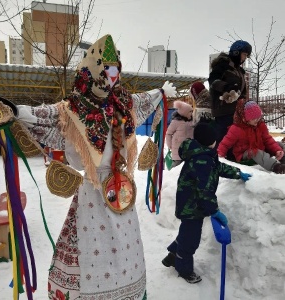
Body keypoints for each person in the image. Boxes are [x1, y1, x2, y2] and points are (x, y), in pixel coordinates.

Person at [17, 34, 176, 300]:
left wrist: (160, 93)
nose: (111, 77)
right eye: (105, 70)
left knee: (125, 248)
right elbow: (41, 115)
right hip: (92, 195)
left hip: (122, 192)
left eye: (115, 70)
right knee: (91, 247)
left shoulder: (124, 103)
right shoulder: (72, 109)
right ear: (90, 73)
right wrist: (15, 111)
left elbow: (146, 100)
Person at [162, 122, 251, 283]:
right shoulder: (202, 160)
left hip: (190, 204)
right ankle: (183, 268)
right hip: (192, 207)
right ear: (211, 141)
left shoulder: (203, 155)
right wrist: (214, 211)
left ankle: (173, 254)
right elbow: (205, 191)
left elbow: (218, 168)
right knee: (191, 240)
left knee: (186, 234)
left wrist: (238, 173)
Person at [218, 99, 285, 174]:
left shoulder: (260, 125)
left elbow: (267, 139)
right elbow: (225, 143)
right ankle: (276, 167)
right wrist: (220, 155)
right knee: (254, 152)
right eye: (253, 118)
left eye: (258, 117)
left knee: (279, 144)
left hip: (260, 149)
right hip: (245, 154)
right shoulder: (236, 129)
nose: (257, 120)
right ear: (244, 118)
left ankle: (283, 158)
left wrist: (277, 150)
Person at [208, 40, 252, 145]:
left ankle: (231, 159)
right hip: (223, 110)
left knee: (234, 140)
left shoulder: (240, 71)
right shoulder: (222, 65)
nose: (245, 58)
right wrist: (226, 87)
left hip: (236, 111)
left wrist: (245, 103)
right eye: (244, 54)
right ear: (236, 52)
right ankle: (218, 159)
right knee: (223, 140)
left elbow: (242, 91)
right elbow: (213, 81)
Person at [165, 100, 194, 168]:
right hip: (177, 148)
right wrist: (170, 145)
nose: (191, 113)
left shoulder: (192, 121)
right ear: (184, 112)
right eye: (190, 112)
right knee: (176, 166)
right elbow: (168, 134)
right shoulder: (176, 122)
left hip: (189, 148)